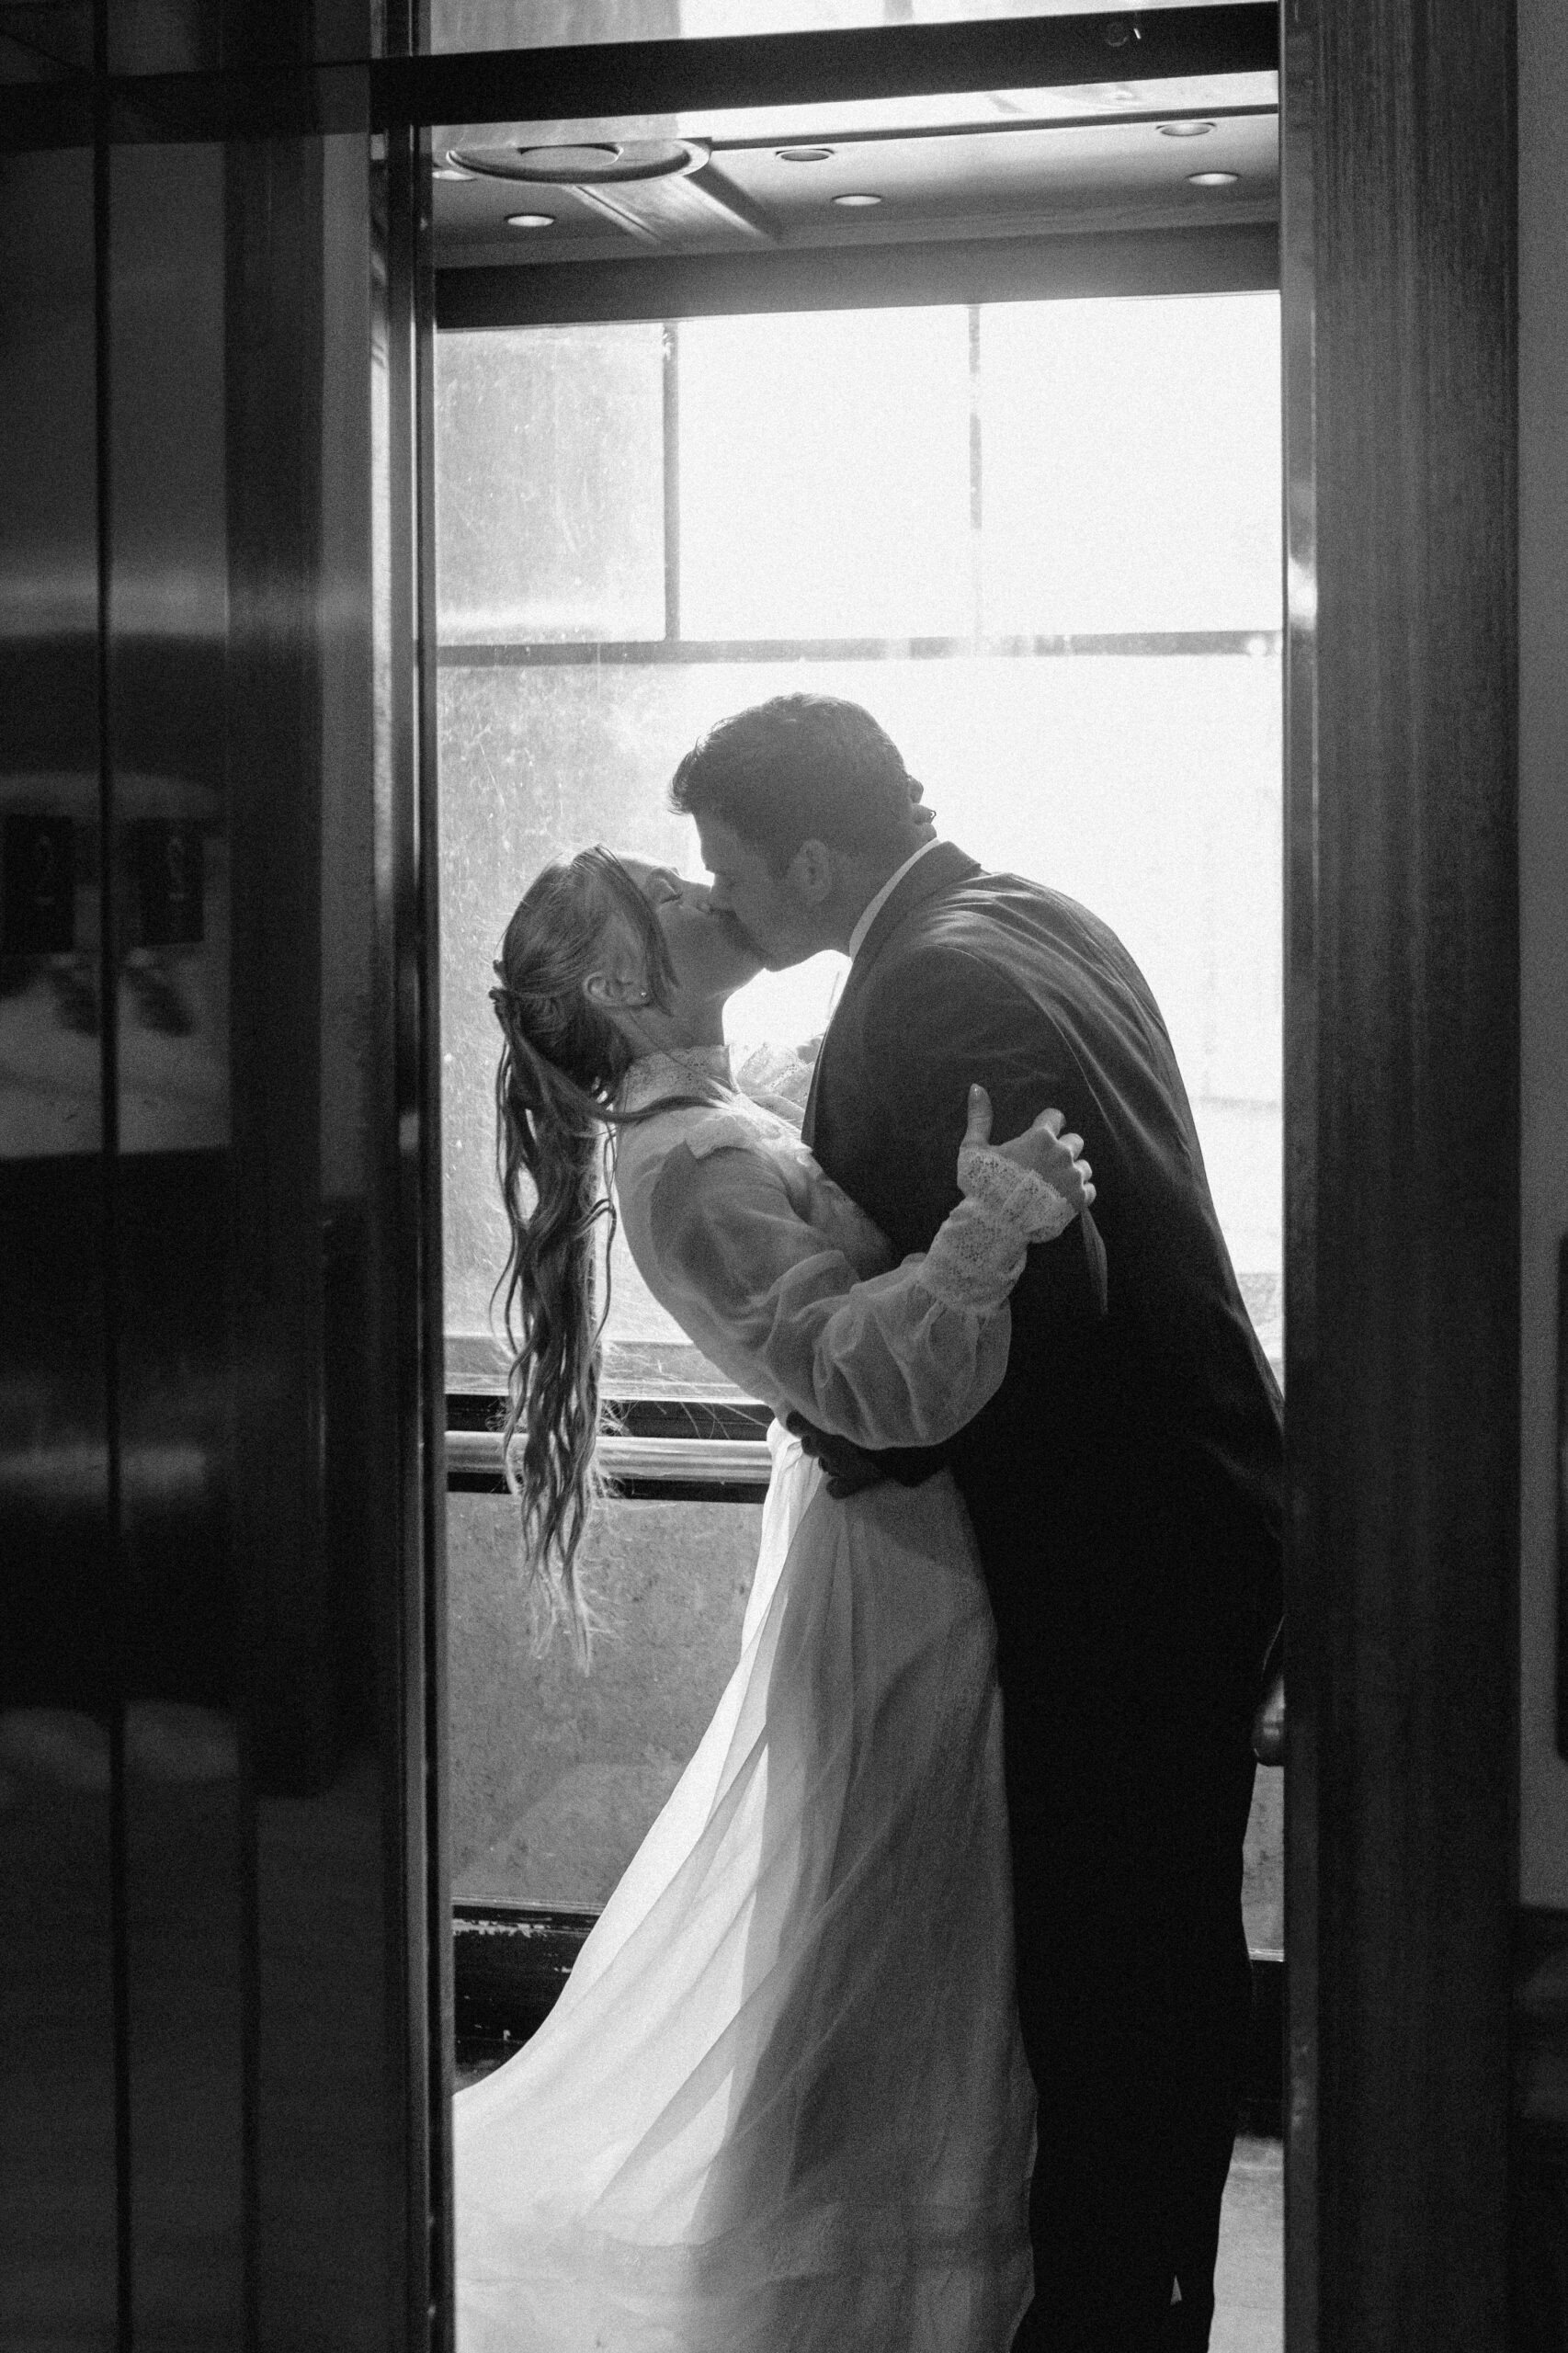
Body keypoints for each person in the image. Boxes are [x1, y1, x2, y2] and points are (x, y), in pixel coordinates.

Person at [670, 694, 1285, 2353]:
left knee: (1105, 1967)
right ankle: (1143, 2293)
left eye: (728, 866)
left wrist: (873, 1440)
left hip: (1116, 1539)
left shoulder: (925, 986)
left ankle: (1103, 2313)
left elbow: (1047, 1289)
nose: (719, 898)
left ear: (812, 860)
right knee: (1161, 1938)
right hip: (1204, 1489)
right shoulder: (1031, 912)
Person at [454, 843, 1096, 2353]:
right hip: (897, 1564)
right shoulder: (687, 1161)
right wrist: (987, 1232)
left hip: (903, 1546)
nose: (704, 890)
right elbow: (851, 1376)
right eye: (669, 892)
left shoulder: (715, 1117)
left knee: (895, 1914)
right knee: (886, 1921)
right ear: (621, 980)